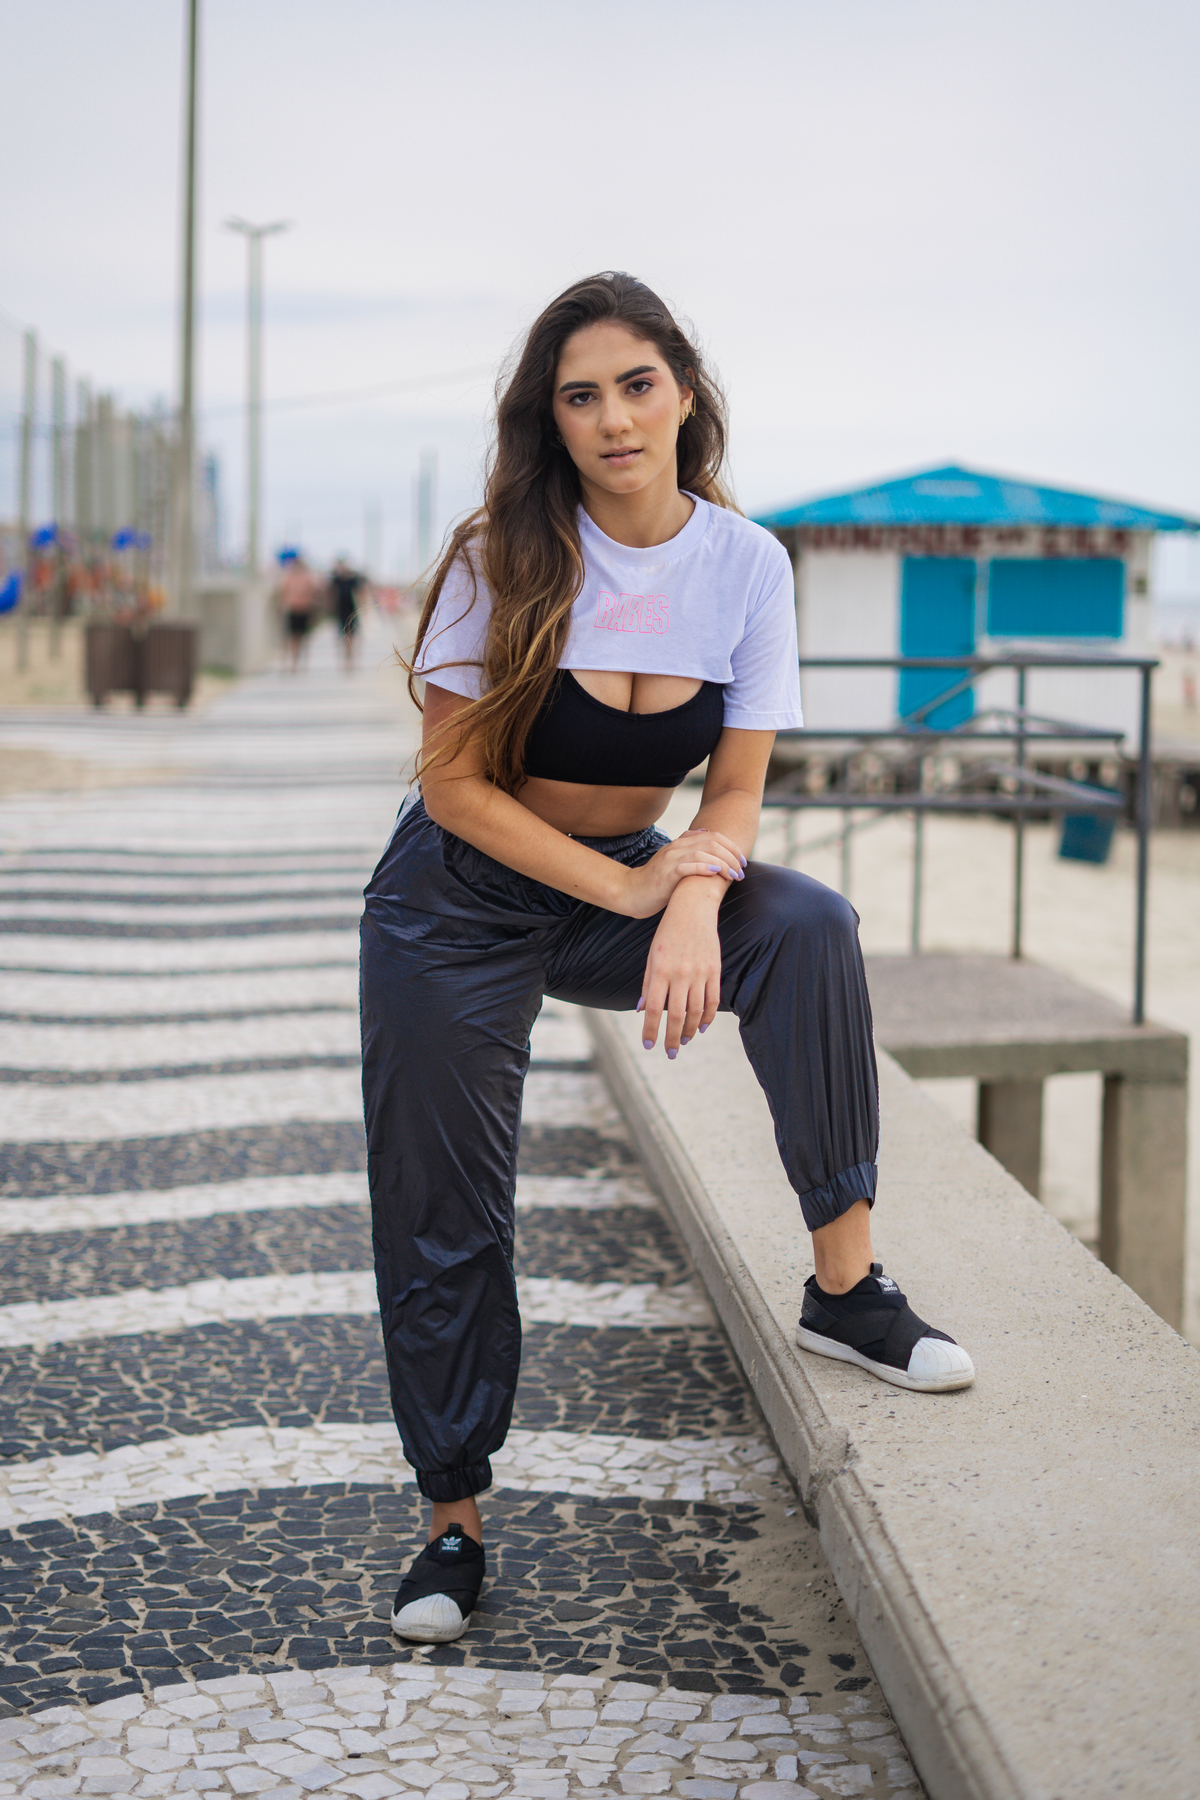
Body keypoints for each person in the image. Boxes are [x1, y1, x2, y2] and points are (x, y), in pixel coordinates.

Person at [360, 272, 974, 1648]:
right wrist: (634, 887)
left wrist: (688, 894)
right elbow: (453, 788)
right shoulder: (503, 557)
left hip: (630, 882)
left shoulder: (746, 564)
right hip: (454, 903)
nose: (614, 419)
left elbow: (737, 793)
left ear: (684, 393)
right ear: (553, 421)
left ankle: (846, 1291)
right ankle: (453, 1520)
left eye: (637, 386)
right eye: (581, 397)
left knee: (805, 925)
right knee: (446, 1202)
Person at [277, 554, 319, 671]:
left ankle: (302, 661)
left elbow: (314, 593)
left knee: (304, 638)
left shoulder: (308, 578)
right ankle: (293, 662)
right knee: (292, 638)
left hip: (305, 609)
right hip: (293, 609)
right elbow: (283, 594)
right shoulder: (289, 578)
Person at [330, 555, 365, 669]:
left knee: (351, 634)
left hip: (352, 610)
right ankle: (346, 655)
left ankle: (350, 656)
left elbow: (360, 593)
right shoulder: (336, 580)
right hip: (340, 610)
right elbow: (331, 594)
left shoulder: (353, 579)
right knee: (343, 635)